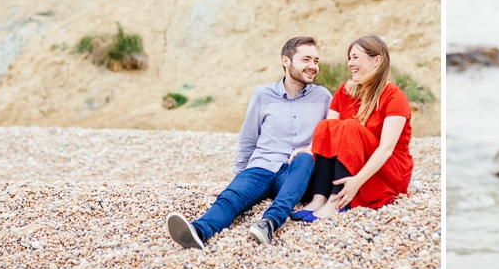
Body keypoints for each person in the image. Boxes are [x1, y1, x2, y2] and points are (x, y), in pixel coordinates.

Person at [165, 36, 332, 248]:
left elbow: (330, 138)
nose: (312, 66)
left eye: (316, 61)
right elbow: (248, 138)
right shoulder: (263, 94)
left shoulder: (323, 97)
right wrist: (237, 179)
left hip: (297, 172)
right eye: (306, 59)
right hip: (261, 166)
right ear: (286, 61)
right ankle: (198, 231)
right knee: (230, 198)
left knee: (305, 157)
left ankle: (269, 222)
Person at [292, 35, 413, 221]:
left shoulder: (395, 97)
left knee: (350, 127)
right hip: (355, 160)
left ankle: (335, 201)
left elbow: (387, 148)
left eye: (356, 57)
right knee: (328, 124)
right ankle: (319, 197)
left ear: (376, 60)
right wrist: (308, 151)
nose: (350, 63)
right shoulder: (345, 91)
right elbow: (328, 131)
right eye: (349, 58)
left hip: (387, 167)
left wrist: (357, 182)